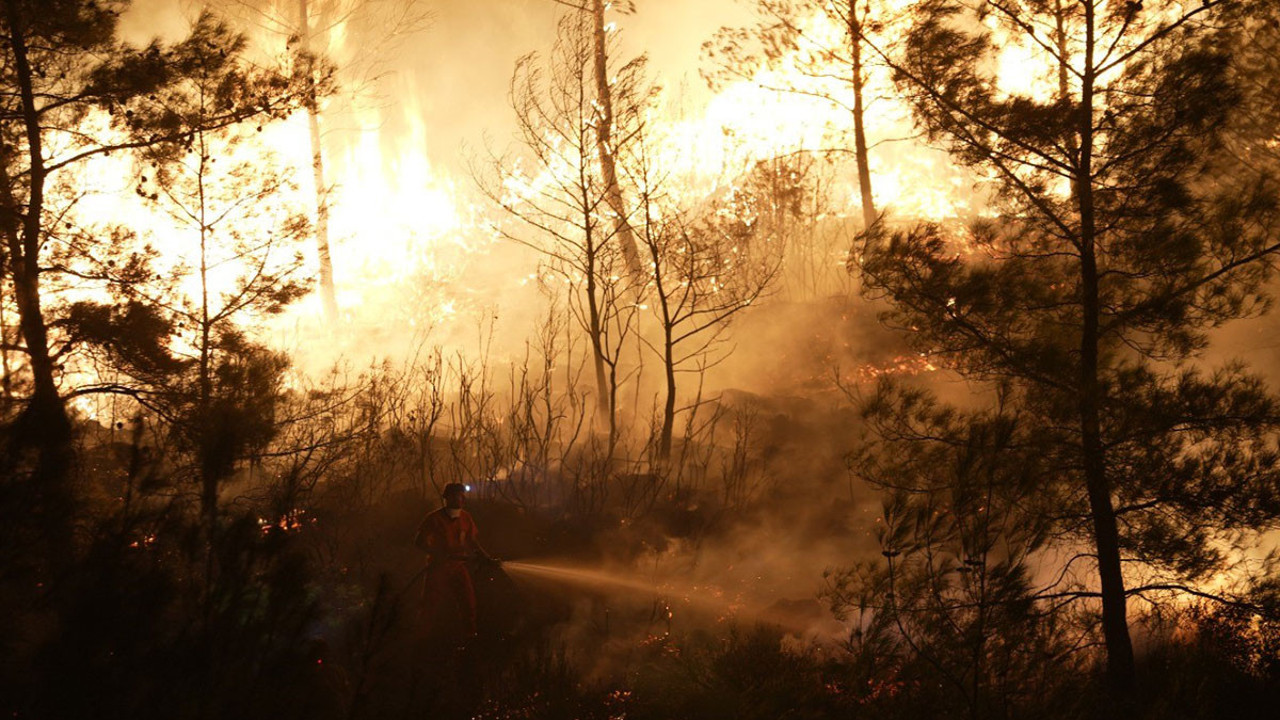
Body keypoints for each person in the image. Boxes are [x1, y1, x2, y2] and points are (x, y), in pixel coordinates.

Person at [414, 483, 494, 642]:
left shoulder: (466, 517)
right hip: (438, 567)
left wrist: (486, 557)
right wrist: (437, 554)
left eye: (462, 495)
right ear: (447, 497)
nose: (461, 498)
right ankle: (420, 640)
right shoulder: (434, 518)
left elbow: (472, 541)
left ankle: (470, 637)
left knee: (468, 601)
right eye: (457, 495)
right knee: (430, 605)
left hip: (458, 566)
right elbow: (419, 542)